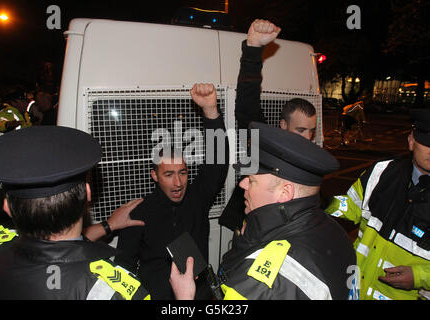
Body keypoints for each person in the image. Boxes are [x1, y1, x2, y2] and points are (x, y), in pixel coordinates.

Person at [170, 121, 357, 300]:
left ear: (285, 192)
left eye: (251, 180)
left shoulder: (261, 285)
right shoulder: (335, 231)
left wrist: (184, 296)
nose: (242, 184)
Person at [0, 126, 150, 300]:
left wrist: (108, 225)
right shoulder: (112, 292)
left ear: (7, 207)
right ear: (88, 194)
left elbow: (52, 251)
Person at [115, 83, 229, 300]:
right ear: (155, 175)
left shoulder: (197, 198)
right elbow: (123, 268)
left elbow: (218, 163)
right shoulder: (139, 213)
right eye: (168, 174)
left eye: (183, 173)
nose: (178, 183)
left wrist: (211, 111)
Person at [219, 19, 317, 232]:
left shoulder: (313, 162)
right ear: (283, 125)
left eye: (311, 131)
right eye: (300, 130)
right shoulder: (264, 144)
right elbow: (247, 101)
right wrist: (253, 48)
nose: (307, 137)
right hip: (249, 230)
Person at [325, 109, 430, 300]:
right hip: (353, 291)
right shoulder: (382, 172)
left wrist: (419, 277)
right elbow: (347, 207)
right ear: (411, 141)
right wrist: (316, 200)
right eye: (427, 142)